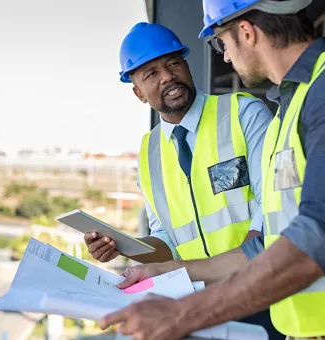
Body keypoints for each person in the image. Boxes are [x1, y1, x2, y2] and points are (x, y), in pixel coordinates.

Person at [98, 1, 325, 340]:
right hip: (302, 324)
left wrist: (182, 314)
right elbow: (266, 245)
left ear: (246, 32)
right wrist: (160, 269)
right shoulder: (292, 107)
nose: (224, 56)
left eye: (220, 41)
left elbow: (316, 238)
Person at [84, 22, 273, 266]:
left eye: (173, 63)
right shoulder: (149, 153)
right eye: (151, 74)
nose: (168, 76)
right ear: (139, 94)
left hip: (260, 278)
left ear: (186, 66)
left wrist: (239, 272)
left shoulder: (243, 114)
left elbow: (272, 203)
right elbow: (168, 241)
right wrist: (123, 247)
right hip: (199, 294)